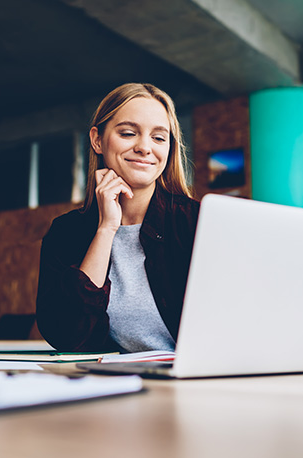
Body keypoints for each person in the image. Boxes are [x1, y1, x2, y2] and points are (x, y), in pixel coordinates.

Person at [36, 83, 200, 352]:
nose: (145, 147)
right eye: (128, 133)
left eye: (159, 138)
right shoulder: (66, 232)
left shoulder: (196, 222)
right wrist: (106, 228)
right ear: (97, 140)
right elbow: (66, 336)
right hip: (114, 385)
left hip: (196, 384)